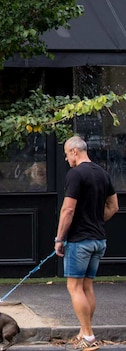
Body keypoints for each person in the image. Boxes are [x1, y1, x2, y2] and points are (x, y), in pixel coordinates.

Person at [56, 136, 119, 351]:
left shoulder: (75, 174)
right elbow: (114, 206)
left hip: (79, 241)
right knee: (87, 286)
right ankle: (85, 331)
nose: (66, 158)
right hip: (98, 240)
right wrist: (95, 221)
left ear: (75, 151)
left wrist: (59, 238)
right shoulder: (102, 173)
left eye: (66, 153)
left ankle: (89, 336)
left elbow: (68, 210)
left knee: (74, 287)